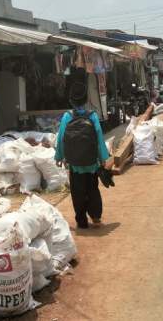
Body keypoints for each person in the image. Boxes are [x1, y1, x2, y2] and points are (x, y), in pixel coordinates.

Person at [55, 82, 113, 229]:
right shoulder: (92, 116)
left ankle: (81, 221)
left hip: (74, 164)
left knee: (77, 192)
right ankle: (96, 217)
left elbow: (61, 139)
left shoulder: (67, 116)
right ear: (86, 100)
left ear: (71, 100)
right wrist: (103, 158)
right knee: (92, 188)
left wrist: (59, 157)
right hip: (91, 163)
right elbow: (99, 138)